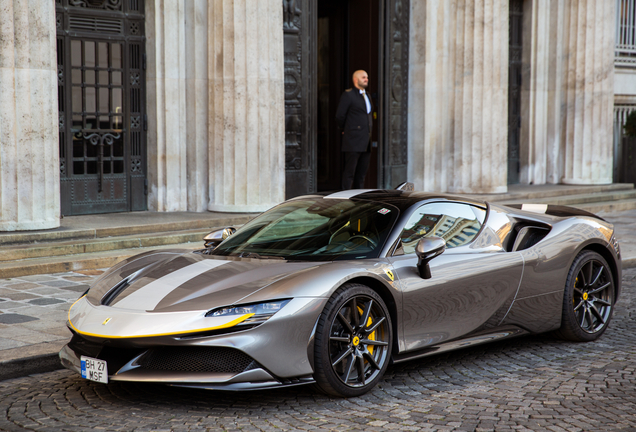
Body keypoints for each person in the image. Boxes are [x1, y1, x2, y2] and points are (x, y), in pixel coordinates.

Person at [336, 70, 373, 190]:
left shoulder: (367, 95)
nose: (366, 79)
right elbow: (340, 116)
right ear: (355, 80)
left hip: (366, 141)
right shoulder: (348, 95)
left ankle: (358, 199)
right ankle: (344, 196)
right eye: (363, 77)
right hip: (353, 140)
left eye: (367, 77)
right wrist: (344, 129)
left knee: (361, 174)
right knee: (349, 173)